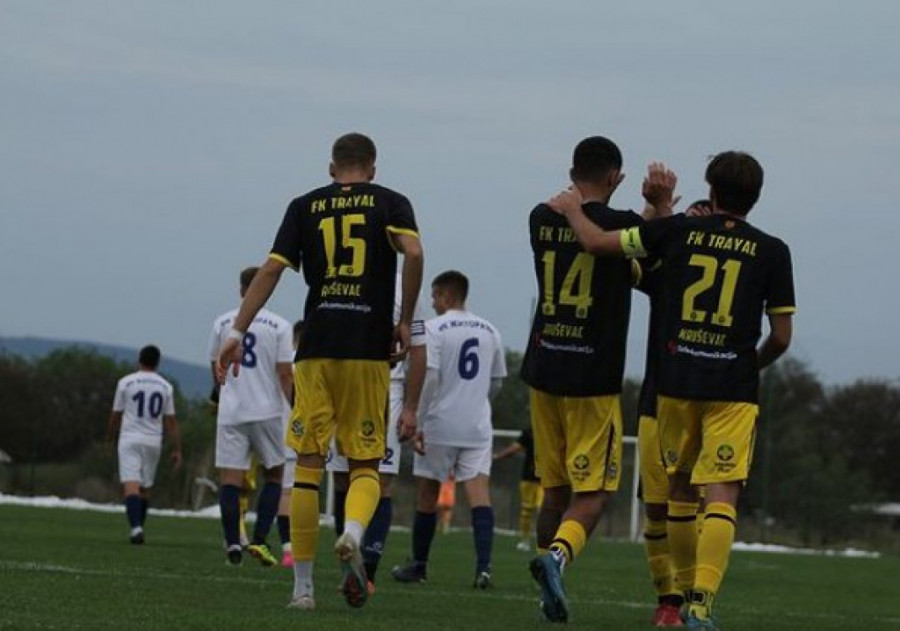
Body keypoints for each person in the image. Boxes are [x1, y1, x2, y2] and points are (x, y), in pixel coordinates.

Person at [549, 152, 795, 630]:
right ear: (756, 197)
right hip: (732, 387)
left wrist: (574, 209)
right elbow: (782, 337)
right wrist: (750, 365)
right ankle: (701, 604)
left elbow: (598, 243)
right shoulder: (773, 250)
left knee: (679, 492)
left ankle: (677, 598)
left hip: (675, 383)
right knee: (721, 494)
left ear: (712, 190)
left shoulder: (678, 231)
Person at [217, 132, 424, 611]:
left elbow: (271, 270)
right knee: (365, 464)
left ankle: (302, 590)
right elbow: (413, 254)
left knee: (308, 467)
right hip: (367, 350)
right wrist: (405, 321)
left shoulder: (304, 206)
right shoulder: (390, 202)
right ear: (372, 169)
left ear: (332, 168)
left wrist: (237, 330)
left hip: (315, 346)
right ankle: (352, 531)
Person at [520, 136, 645, 623]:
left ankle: (544, 587)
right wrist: (657, 210)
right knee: (594, 493)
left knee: (554, 490)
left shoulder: (540, 216)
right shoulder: (623, 223)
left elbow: (616, 255)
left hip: (545, 368)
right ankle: (555, 559)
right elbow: (632, 247)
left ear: (572, 172)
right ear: (615, 176)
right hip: (592, 377)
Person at [391, 270, 506, 589]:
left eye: (434, 295)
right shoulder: (490, 330)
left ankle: (419, 565)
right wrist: (477, 402)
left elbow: (428, 376)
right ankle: (483, 568)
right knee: (479, 496)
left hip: (440, 423)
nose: (432, 302)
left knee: (427, 494)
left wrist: (417, 417)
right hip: (477, 425)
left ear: (446, 295)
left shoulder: (433, 328)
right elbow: (497, 382)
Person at [633, 200, 711, 628]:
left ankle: (693, 598)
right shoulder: (664, 271)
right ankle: (668, 599)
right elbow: (631, 253)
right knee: (656, 508)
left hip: (707, 407)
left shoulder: (734, 277)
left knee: (694, 507)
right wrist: (653, 211)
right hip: (657, 403)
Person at [327, 272, 428, 589]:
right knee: (342, 479)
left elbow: (419, 350)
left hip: (387, 388)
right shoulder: (340, 274)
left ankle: (367, 572)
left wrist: (411, 408)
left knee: (380, 482)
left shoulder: (404, 285)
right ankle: (349, 562)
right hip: (342, 388)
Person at [208, 266, 294, 567]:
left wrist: (222, 395)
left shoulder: (222, 322)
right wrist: (296, 407)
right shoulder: (279, 325)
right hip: (267, 411)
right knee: (275, 475)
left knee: (230, 480)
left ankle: (233, 541)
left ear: (241, 289)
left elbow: (216, 365)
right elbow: (285, 374)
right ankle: (259, 539)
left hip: (232, 411)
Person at [107, 345, 182, 544]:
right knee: (146, 487)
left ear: (139, 359)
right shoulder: (165, 386)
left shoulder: (125, 382)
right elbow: (171, 421)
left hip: (129, 438)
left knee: (131, 483)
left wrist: (110, 437)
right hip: (153, 439)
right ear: (157, 362)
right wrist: (177, 449)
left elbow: (116, 414)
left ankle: (136, 527)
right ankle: (139, 526)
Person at [276, 319, 307, 568]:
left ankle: (288, 547)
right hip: (310, 434)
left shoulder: (286, 364)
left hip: (284, 431)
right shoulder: (312, 363)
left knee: (286, 492)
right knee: (305, 490)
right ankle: (298, 546)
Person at [493, 427, 543, 552]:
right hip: (528, 477)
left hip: (547, 479)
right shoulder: (530, 431)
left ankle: (545, 541)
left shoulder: (553, 428)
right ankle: (525, 540)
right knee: (526, 510)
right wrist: (498, 456)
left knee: (542, 509)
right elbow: (515, 447)